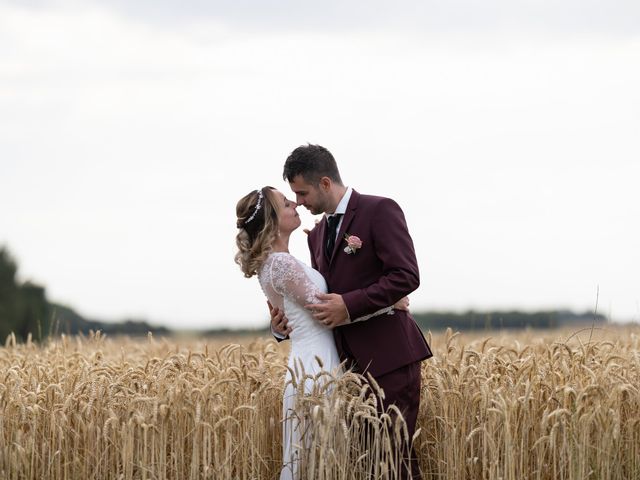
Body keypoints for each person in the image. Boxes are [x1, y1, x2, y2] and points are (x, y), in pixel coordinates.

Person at [270, 144, 433, 479]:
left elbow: (406, 275)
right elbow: (321, 298)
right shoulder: (317, 235)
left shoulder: (380, 210)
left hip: (389, 360)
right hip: (344, 370)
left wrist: (351, 304)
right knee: (368, 465)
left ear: (325, 183)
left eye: (302, 193)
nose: (299, 202)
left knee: (393, 462)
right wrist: (282, 325)